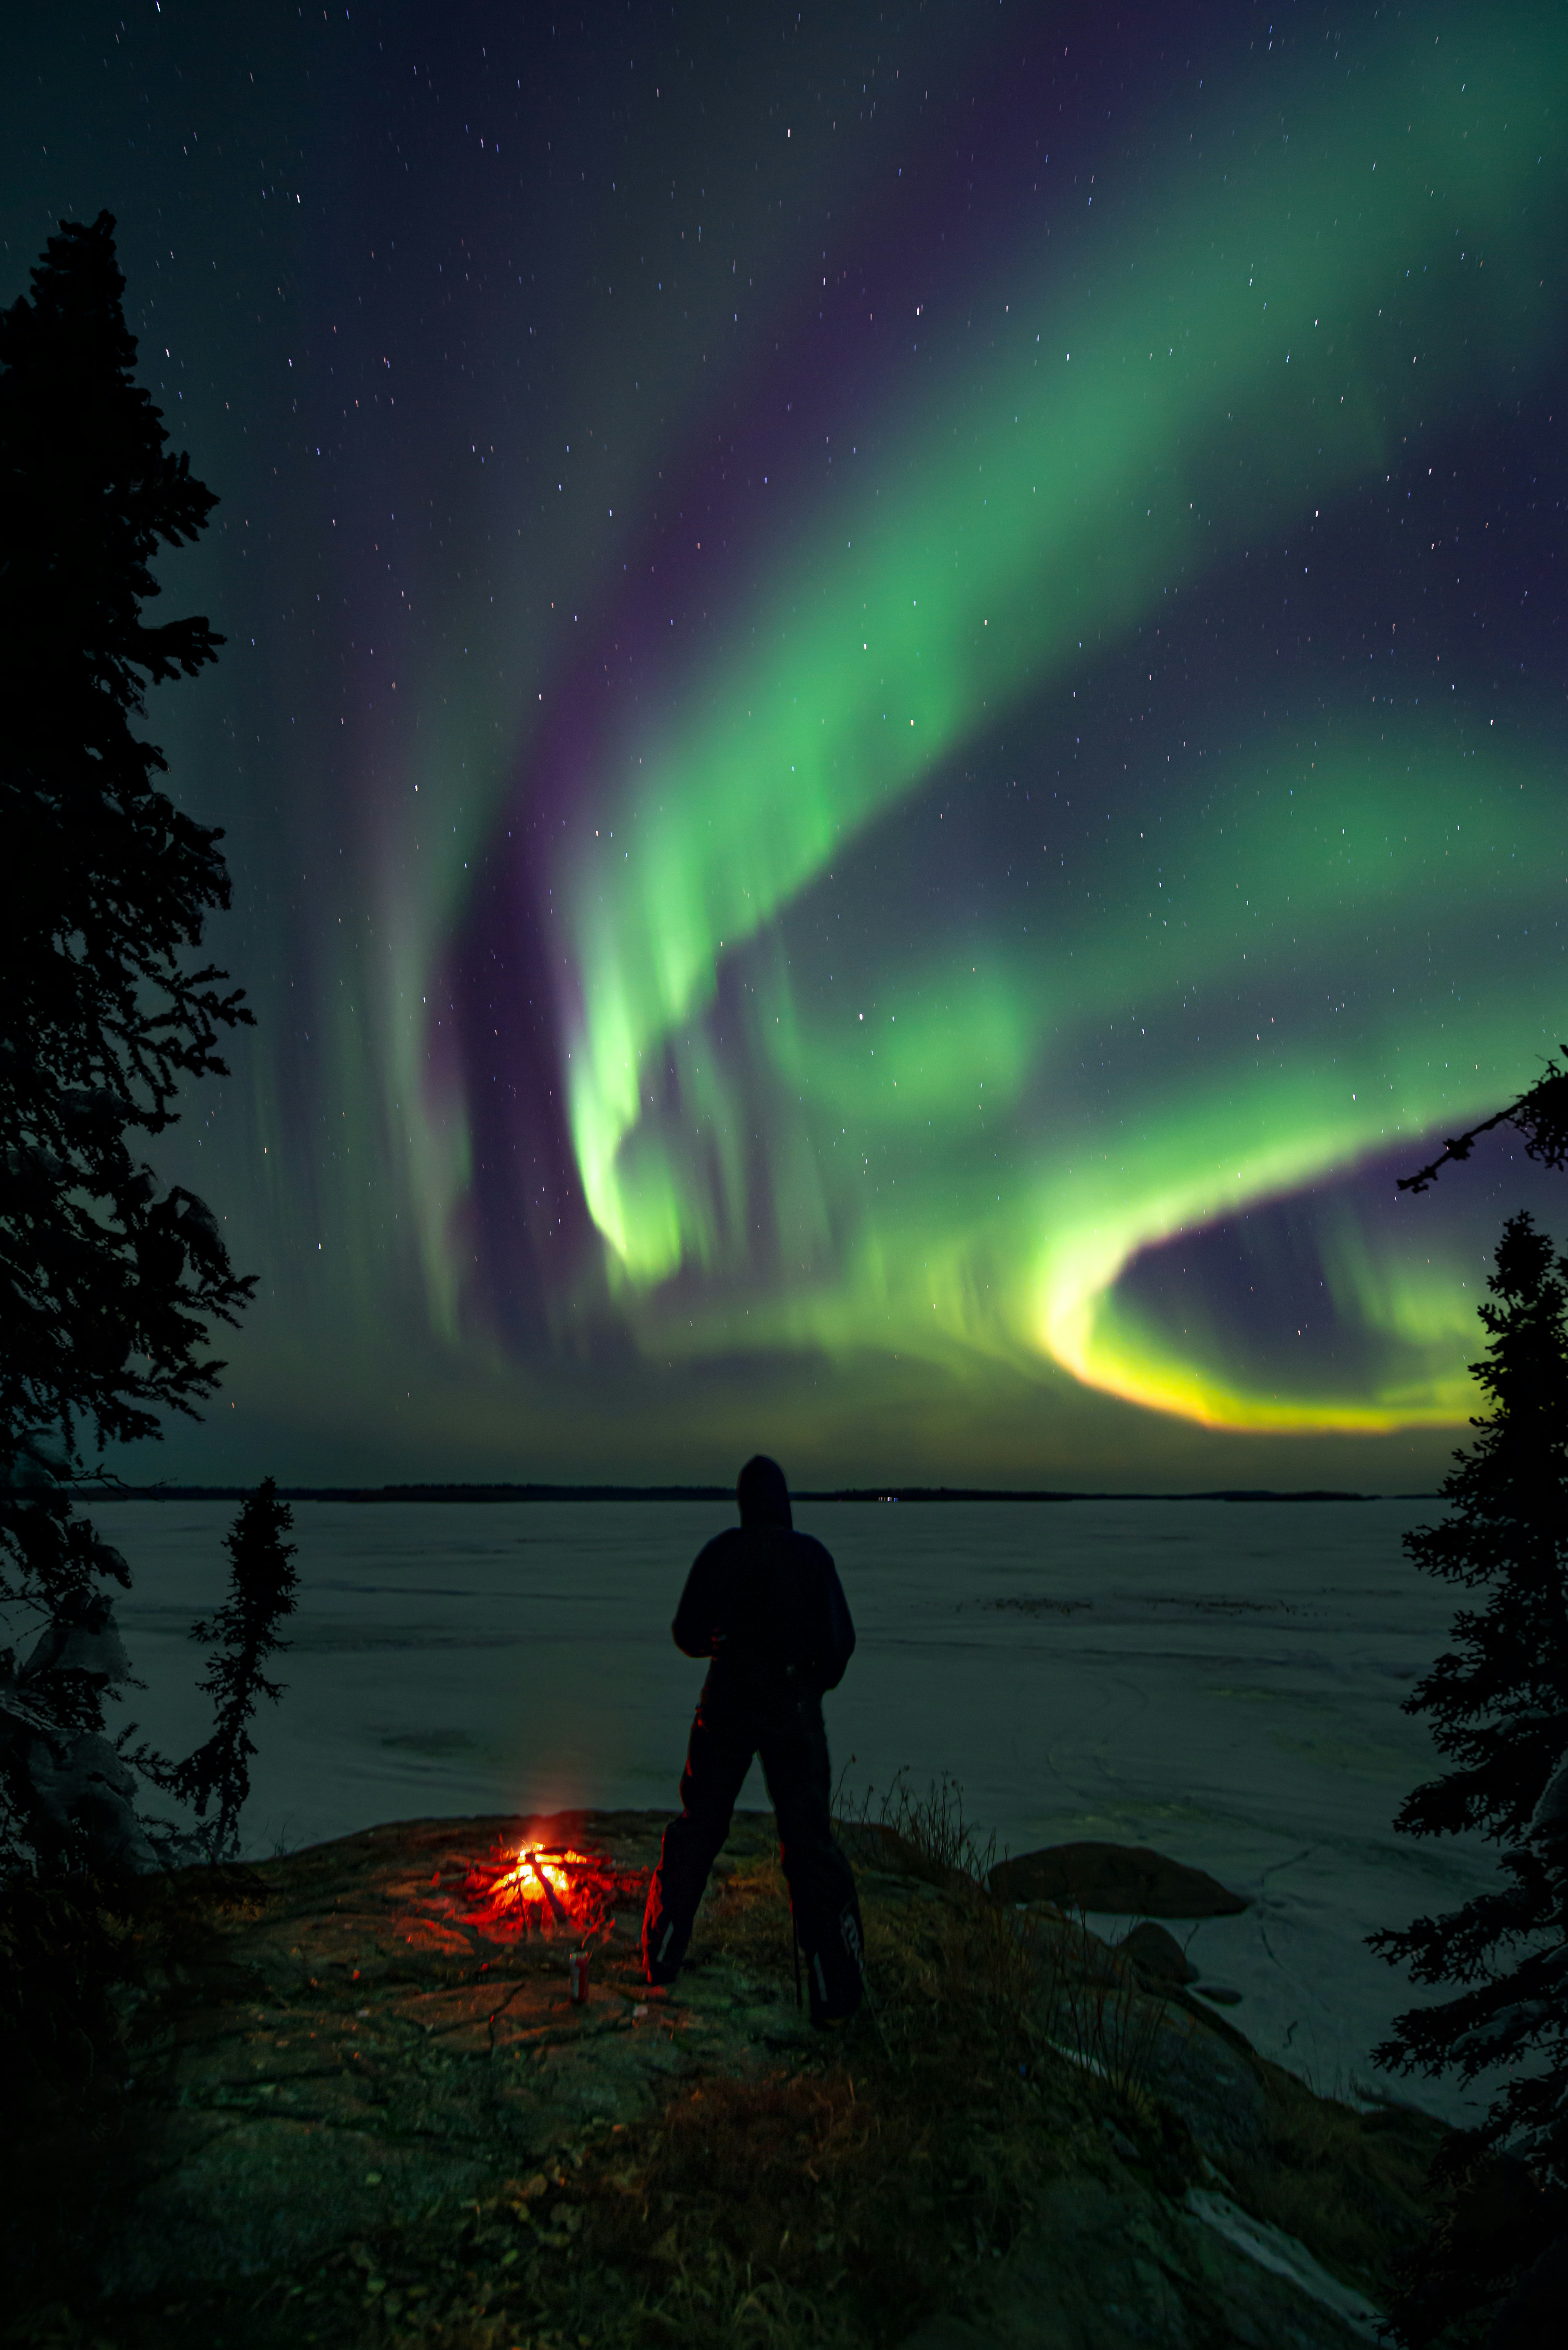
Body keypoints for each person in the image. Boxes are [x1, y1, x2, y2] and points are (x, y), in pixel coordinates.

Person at [641, 1455, 864, 2024]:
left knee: (700, 1824)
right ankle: (834, 1990)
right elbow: (839, 1645)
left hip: (728, 1701)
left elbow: (686, 1632)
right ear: (783, 1501)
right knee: (808, 1840)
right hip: (790, 1706)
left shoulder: (723, 1552)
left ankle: (662, 1955)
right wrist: (810, 1683)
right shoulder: (810, 1556)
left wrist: (724, 1647)